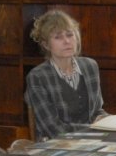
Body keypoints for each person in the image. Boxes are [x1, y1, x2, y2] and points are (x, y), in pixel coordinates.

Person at [25, 10, 107, 140]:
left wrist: (109, 121)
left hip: (91, 140)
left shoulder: (90, 66)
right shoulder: (38, 77)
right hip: (56, 144)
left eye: (70, 35)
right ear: (46, 44)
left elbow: (96, 111)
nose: (67, 41)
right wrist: (93, 130)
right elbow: (53, 129)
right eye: (58, 37)